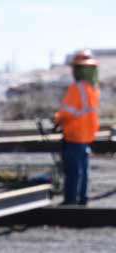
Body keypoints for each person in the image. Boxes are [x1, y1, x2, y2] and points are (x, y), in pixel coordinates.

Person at [54, 49, 100, 205]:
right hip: (86, 136)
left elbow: (67, 112)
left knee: (73, 170)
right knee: (83, 170)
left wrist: (57, 118)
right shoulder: (93, 89)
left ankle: (70, 200)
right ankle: (82, 198)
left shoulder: (77, 88)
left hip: (74, 135)